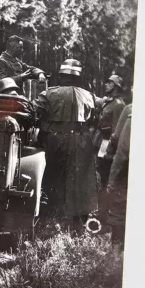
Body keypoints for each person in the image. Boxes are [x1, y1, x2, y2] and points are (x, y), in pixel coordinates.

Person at [32, 59, 98, 231]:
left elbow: (35, 113)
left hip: (56, 140)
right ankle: (79, 222)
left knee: (53, 178)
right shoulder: (88, 95)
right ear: (78, 77)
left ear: (61, 76)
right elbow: (93, 119)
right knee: (81, 180)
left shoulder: (49, 94)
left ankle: (51, 219)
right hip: (82, 141)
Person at [106, 103, 132, 245]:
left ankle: (117, 252)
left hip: (127, 171)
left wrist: (112, 181)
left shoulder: (130, 109)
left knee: (118, 208)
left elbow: (121, 150)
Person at [93, 75, 126, 188]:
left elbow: (117, 129)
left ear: (116, 86)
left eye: (109, 82)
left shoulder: (119, 105)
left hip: (107, 145)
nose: (106, 85)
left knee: (103, 173)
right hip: (100, 141)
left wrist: (110, 150)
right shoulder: (108, 101)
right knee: (98, 170)